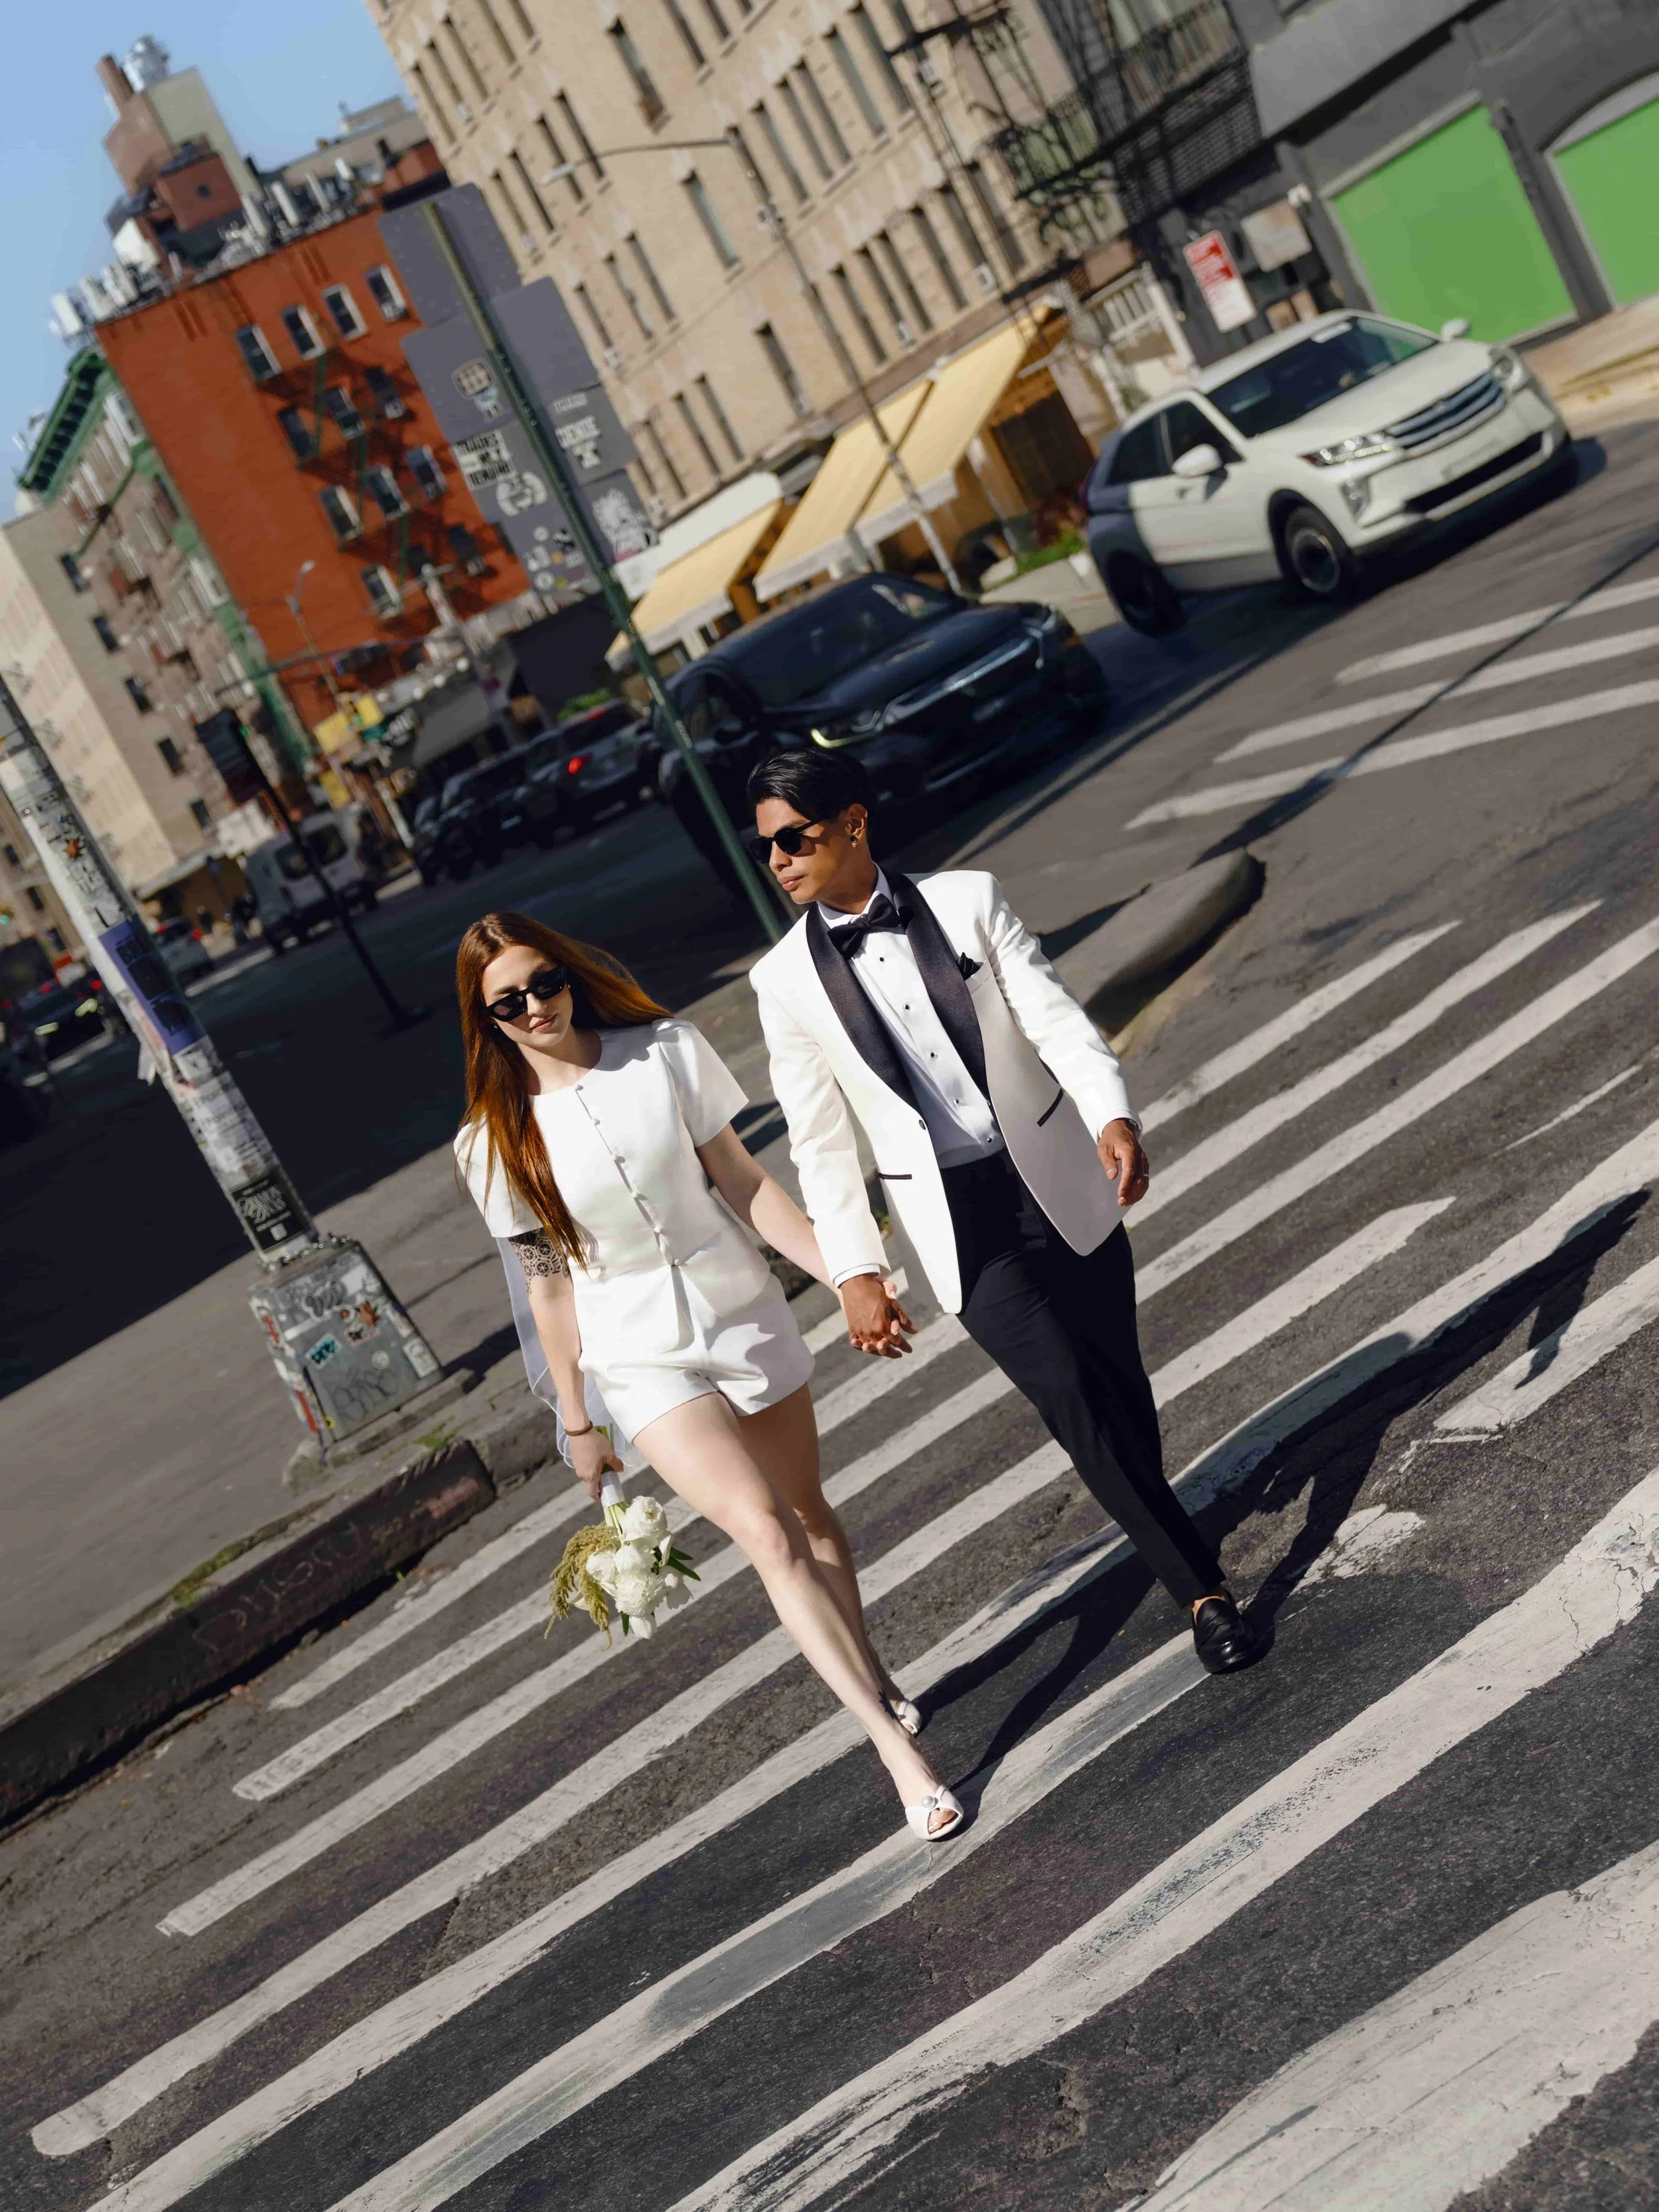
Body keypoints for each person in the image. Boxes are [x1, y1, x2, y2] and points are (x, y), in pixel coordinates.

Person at [744, 750, 1263, 1676]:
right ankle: (1203, 1594)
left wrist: (1111, 1114)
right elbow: (819, 1140)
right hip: (957, 1225)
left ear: (854, 824)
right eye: (767, 849)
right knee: (1071, 1398)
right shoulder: (783, 982)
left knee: (1117, 1383)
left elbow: (1052, 1016)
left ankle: (1158, 1519)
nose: (779, 861)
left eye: (795, 839)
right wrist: (855, 1271)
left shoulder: (969, 901)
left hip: (1053, 1173)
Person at [453, 911, 964, 1839]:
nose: (534, 1007)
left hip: (742, 1311)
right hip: (635, 1353)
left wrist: (848, 1277)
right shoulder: (493, 1143)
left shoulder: (665, 1053)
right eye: (509, 1001)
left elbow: (744, 1182)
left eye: (544, 982)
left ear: (569, 974)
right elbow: (549, 1290)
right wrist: (578, 1420)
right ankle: (898, 1755)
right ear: (485, 1019)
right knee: (766, 1534)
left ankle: (874, 1673)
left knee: (809, 1513)